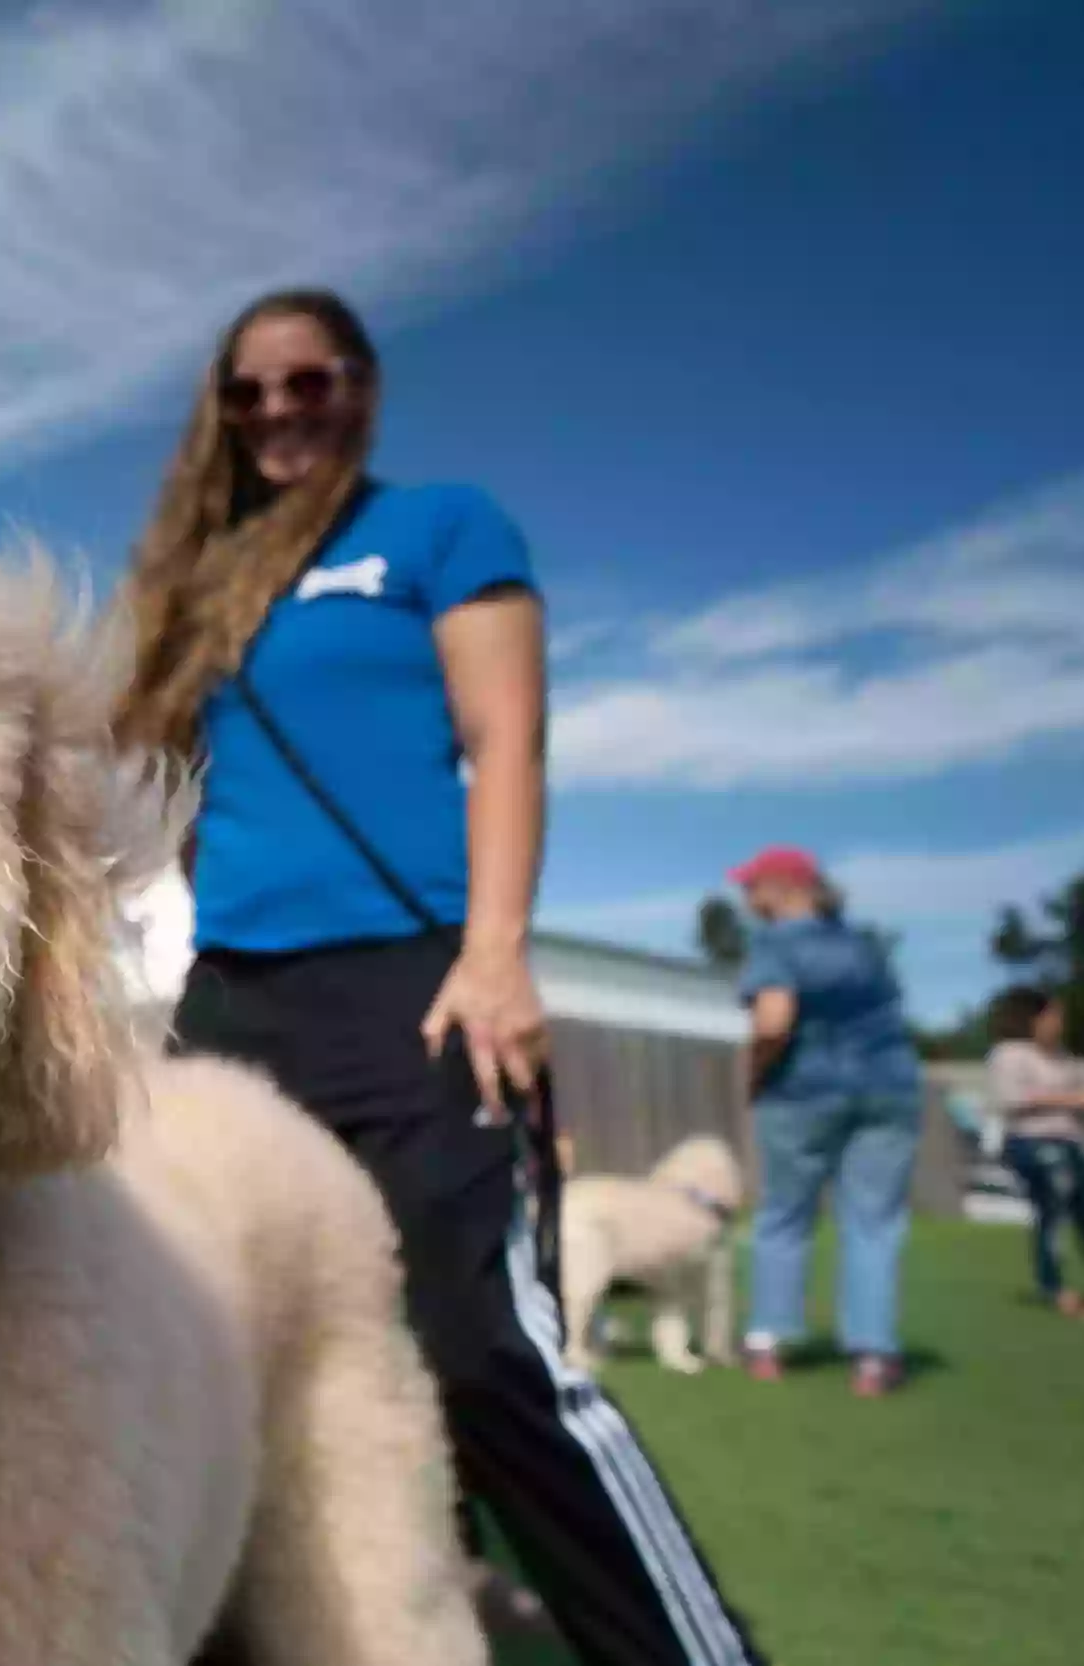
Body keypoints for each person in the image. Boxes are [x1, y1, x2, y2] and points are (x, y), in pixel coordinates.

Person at [119, 288, 762, 1666]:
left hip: (417, 981)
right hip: (231, 999)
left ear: (361, 386)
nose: (283, 410)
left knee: (482, 1350)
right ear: (219, 411)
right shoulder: (193, 579)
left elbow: (506, 738)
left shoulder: (440, 527)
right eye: (252, 391)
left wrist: (496, 953)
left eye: (313, 381)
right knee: (213, 1341)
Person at [729, 846, 925, 1395]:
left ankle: (768, 1340)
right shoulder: (863, 946)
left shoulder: (773, 943)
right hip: (889, 1090)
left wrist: (754, 1076)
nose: (745, 899)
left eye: (750, 887)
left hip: (803, 1092)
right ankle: (873, 1356)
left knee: (785, 1214)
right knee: (873, 1220)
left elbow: (773, 1022)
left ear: (781, 886)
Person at [981, 984, 1084, 1318]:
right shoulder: (1010, 1054)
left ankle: (1056, 1282)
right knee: (1056, 1196)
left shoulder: (1067, 1059)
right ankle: (1055, 1286)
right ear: (1033, 1019)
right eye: (1052, 1016)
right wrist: (1068, 1100)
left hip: (1071, 1143)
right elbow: (1009, 1100)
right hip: (1030, 1142)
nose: (1059, 1024)